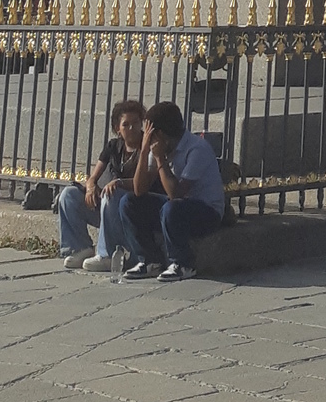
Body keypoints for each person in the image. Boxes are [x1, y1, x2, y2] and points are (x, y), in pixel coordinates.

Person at [113, 100, 226, 281]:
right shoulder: (158, 148)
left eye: (150, 135)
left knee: (171, 208)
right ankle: (149, 260)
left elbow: (176, 194)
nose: (146, 138)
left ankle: (183, 264)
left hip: (206, 212)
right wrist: (144, 152)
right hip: (176, 208)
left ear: (160, 135)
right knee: (129, 203)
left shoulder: (197, 149)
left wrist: (160, 159)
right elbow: (139, 189)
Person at [59, 97, 145, 270]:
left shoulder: (146, 146)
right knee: (69, 195)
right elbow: (93, 176)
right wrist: (91, 188)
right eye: (126, 124)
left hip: (129, 209)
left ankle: (107, 254)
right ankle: (79, 248)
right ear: (117, 128)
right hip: (105, 207)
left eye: (136, 123)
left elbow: (144, 181)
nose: (132, 128)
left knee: (111, 193)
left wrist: (119, 183)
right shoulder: (113, 146)